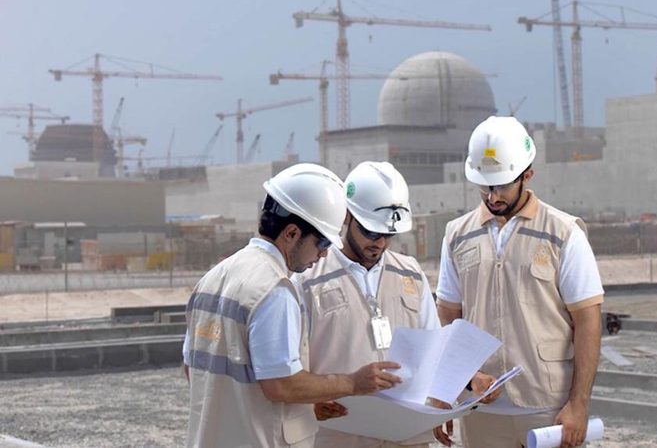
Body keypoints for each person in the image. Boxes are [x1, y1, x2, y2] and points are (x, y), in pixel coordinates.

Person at [183, 163, 403, 448]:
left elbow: (193, 369)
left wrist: (306, 401)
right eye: (322, 241)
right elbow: (281, 384)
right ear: (290, 233)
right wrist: (352, 383)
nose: (324, 254)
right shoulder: (274, 290)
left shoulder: (214, 278)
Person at [436, 116, 604, 448]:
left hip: (546, 408)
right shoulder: (457, 235)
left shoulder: (563, 233)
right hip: (480, 410)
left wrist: (578, 404)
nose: (491, 195)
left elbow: (588, 320)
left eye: (500, 185)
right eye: (484, 186)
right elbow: (447, 317)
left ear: (527, 175)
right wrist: (454, 386)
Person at [293, 161, 453, 448]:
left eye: (388, 235)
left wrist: (439, 399)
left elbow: (433, 348)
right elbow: (290, 368)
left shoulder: (411, 273)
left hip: (406, 437)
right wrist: (309, 404)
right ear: (346, 217)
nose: (379, 243)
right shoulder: (307, 278)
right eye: (370, 232)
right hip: (337, 436)